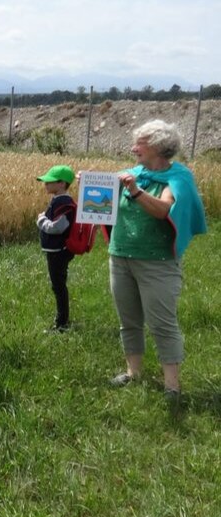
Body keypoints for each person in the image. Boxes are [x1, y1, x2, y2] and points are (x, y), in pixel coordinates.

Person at [110, 120, 206, 396]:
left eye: (140, 143)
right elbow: (101, 201)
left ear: (158, 147)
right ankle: (133, 373)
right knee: (128, 319)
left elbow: (164, 210)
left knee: (162, 323)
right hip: (120, 257)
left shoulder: (178, 177)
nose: (133, 148)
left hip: (158, 263)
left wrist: (135, 191)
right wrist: (88, 184)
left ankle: (172, 386)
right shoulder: (130, 173)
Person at [36, 165, 78, 332]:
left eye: (49, 181)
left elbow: (57, 227)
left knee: (58, 285)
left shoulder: (65, 204)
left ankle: (62, 323)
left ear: (62, 184)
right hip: (56, 250)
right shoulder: (58, 201)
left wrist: (41, 220)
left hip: (59, 250)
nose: (45, 183)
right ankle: (62, 320)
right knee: (58, 284)